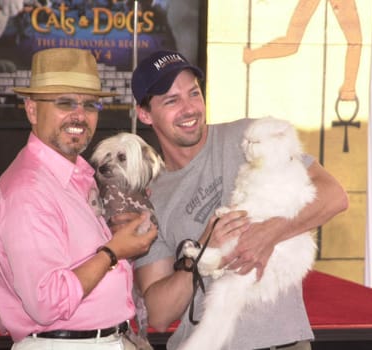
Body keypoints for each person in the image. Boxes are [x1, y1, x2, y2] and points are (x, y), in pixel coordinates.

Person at [125, 50, 349, 349]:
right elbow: (160, 314)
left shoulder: (248, 137)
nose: (189, 108)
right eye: (171, 100)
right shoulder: (151, 196)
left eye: (194, 93)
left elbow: (334, 196)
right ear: (145, 114)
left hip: (281, 343)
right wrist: (201, 249)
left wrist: (268, 234)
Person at [0, 48, 158, 350]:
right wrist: (113, 252)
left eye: (90, 104)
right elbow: (47, 302)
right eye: (65, 102)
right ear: (32, 110)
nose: (80, 115)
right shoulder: (28, 191)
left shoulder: (80, 177)